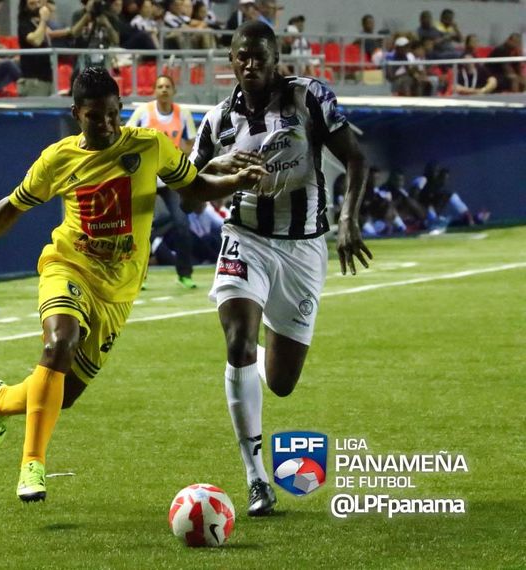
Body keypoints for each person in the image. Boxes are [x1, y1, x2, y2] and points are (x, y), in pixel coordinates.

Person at [0, 66, 266, 503]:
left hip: (118, 291)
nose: (105, 125)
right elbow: (12, 206)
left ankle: (3, 400)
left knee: (61, 395)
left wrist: (232, 182)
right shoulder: (58, 159)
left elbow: (194, 187)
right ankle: (33, 464)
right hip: (69, 266)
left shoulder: (149, 146)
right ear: (76, 114)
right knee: (58, 343)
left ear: (120, 110)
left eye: (111, 115)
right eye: (93, 117)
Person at [189, 21, 371, 516]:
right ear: (231, 60)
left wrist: (349, 221)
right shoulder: (216, 122)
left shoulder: (308, 98)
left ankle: (264, 344)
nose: (251, 65)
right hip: (244, 238)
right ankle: (256, 477)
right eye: (242, 56)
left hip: (304, 249)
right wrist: (224, 174)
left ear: (276, 60)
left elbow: (356, 159)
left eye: (260, 57)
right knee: (237, 343)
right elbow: (188, 191)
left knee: (283, 381)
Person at [126, 74, 199, 288]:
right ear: (154, 91)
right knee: (140, 227)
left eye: (168, 86)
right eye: (160, 86)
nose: (164, 89)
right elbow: (126, 137)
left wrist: (177, 156)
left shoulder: (182, 114)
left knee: (182, 223)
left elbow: (191, 144)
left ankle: (184, 274)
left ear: (173, 91)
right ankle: (138, 276)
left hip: (171, 178)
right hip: (146, 177)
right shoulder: (143, 113)